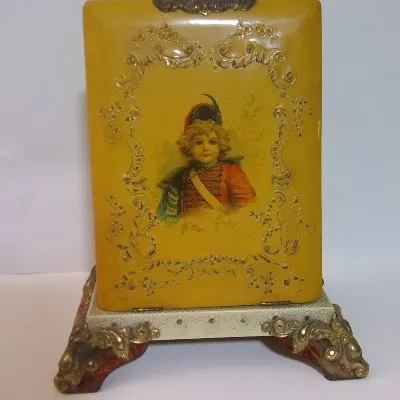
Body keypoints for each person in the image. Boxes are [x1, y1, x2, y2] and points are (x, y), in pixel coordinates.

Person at [157, 94, 256, 223]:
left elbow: (246, 210)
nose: (205, 148)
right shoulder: (178, 179)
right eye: (198, 142)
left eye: (212, 142)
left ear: (221, 145)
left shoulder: (232, 171)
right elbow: (168, 220)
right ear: (189, 146)